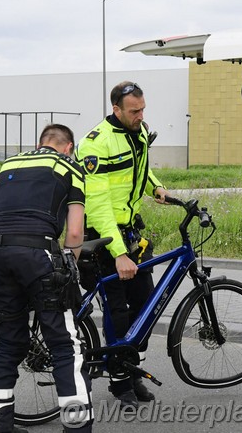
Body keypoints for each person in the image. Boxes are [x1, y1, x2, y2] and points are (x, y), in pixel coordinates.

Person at [0, 124, 92, 433]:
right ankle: (77, 428)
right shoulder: (69, 165)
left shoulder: (9, 164)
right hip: (37, 254)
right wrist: (70, 266)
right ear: (67, 147)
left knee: (8, 343)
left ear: (40, 143)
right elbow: (75, 231)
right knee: (65, 348)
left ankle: (0, 428)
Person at [77, 81, 170, 410]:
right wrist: (117, 254)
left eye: (143, 109)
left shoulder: (139, 133)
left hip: (131, 232)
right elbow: (99, 205)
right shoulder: (96, 144)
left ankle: (132, 371)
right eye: (134, 111)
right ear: (116, 109)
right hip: (103, 236)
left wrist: (156, 187)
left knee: (143, 305)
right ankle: (118, 381)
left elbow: (140, 171)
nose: (140, 115)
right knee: (117, 310)